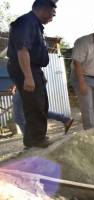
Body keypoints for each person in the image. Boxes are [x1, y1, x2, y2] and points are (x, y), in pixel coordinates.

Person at [6, 0, 57, 148]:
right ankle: (35, 140)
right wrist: (28, 76)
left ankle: (36, 138)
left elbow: (33, 52)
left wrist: (38, 74)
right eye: (51, 14)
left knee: (40, 104)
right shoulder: (26, 22)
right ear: (42, 9)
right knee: (34, 105)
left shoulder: (35, 24)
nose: (52, 18)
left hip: (32, 68)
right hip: (24, 68)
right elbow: (22, 50)